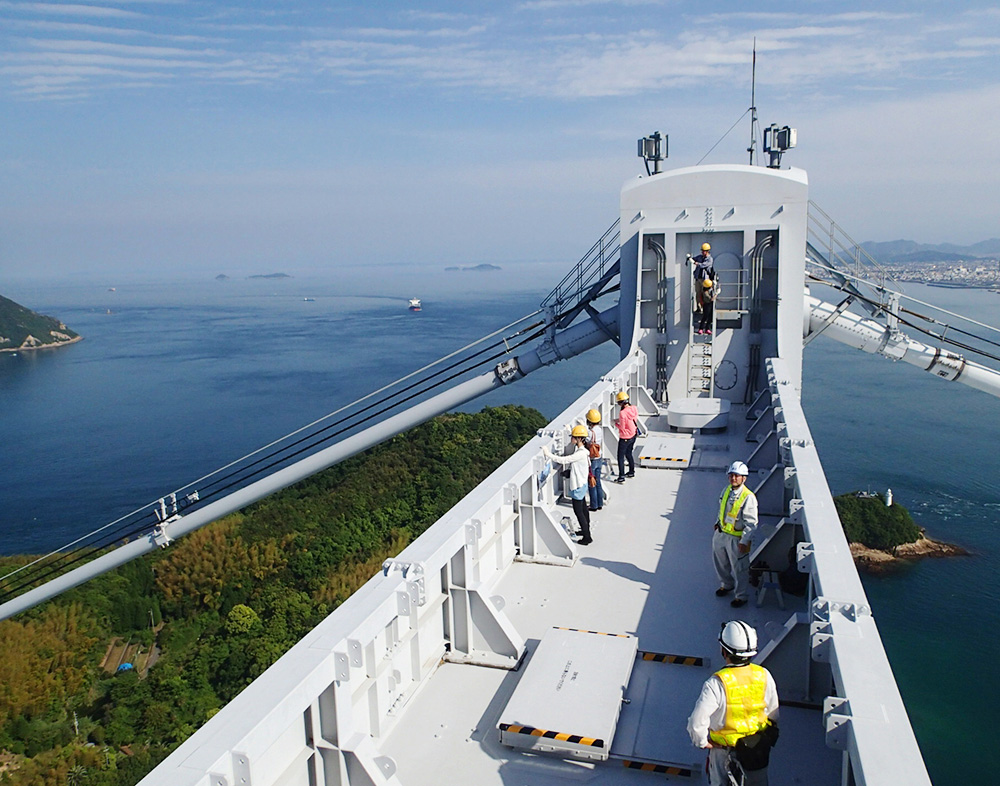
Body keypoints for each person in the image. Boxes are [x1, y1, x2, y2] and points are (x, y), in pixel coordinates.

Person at [687, 621, 779, 786]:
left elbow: (696, 723)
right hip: (757, 749)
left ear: (724, 651)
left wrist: (703, 742)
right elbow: (773, 713)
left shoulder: (716, 683)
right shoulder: (764, 675)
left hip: (724, 752)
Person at [713, 461, 758, 608]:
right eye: (731, 475)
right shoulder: (726, 490)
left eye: (737, 476)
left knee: (739, 568)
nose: (733, 478)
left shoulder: (748, 497)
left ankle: (741, 595)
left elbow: (751, 523)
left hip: (736, 539)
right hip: (721, 534)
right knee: (720, 562)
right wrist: (717, 522)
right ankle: (726, 585)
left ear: (744, 478)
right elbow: (722, 509)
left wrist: (744, 541)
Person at [542, 425, 593, 545]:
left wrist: (548, 454)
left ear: (579, 439)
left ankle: (587, 537)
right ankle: (586, 531)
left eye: (573, 437)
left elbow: (565, 460)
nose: (571, 438)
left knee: (579, 511)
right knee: (584, 509)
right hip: (582, 484)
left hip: (578, 486)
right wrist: (570, 429)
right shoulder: (583, 451)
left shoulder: (579, 453)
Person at [613, 391, 639, 483]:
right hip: (633, 434)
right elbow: (632, 419)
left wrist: (615, 423)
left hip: (625, 437)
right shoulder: (634, 408)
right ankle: (631, 471)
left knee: (620, 457)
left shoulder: (622, 413)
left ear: (621, 403)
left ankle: (621, 476)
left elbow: (622, 427)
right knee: (629, 453)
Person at [586, 408, 605, 511]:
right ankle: (600, 503)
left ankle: (593, 505)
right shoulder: (600, 430)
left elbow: (587, 442)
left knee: (591, 482)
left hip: (592, 459)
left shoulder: (590, 432)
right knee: (598, 481)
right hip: (599, 457)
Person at [693, 242, 716, 313]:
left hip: (705, 280)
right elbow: (694, 259)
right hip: (698, 278)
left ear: (707, 251)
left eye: (704, 251)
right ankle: (699, 308)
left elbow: (703, 265)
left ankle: (706, 308)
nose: (703, 252)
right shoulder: (700, 257)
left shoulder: (710, 259)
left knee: (705, 294)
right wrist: (690, 258)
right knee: (698, 293)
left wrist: (697, 263)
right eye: (702, 251)